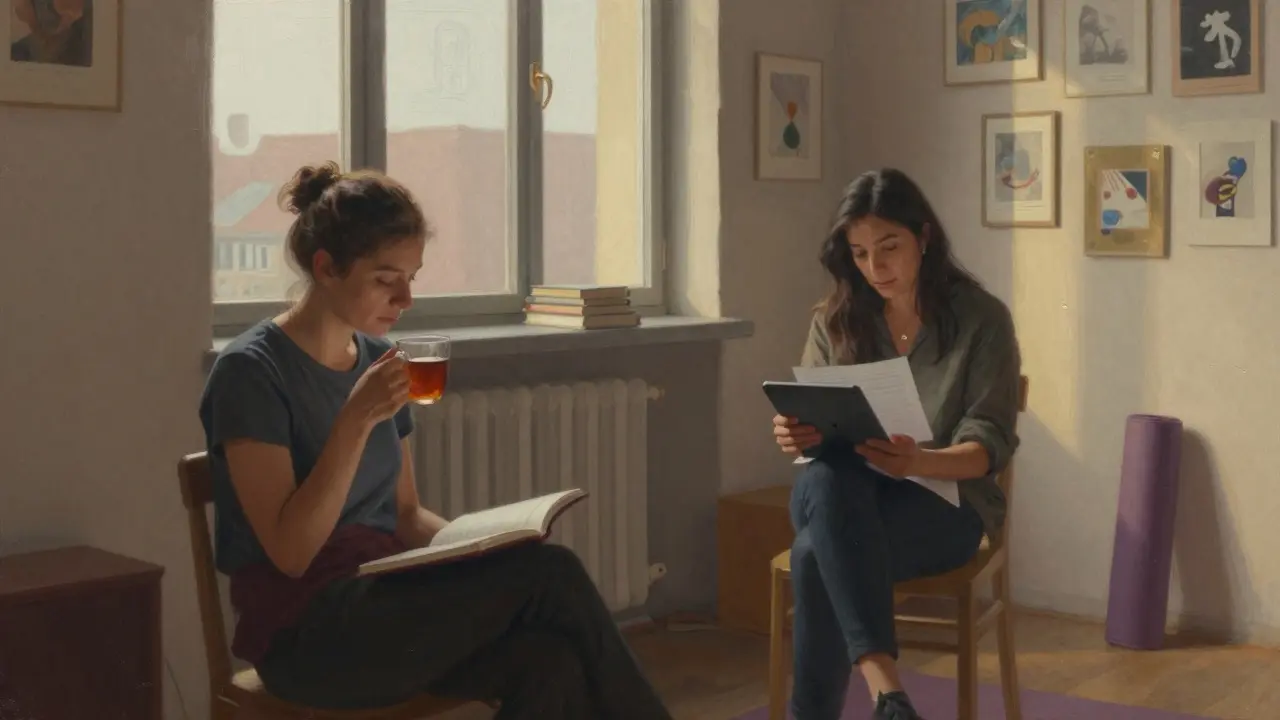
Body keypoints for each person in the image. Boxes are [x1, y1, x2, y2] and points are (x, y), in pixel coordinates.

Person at [199, 162, 673, 719]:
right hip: (309, 636)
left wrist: (483, 548)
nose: (404, 298)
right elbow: (291, 552)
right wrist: (354, 421)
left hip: (390, 611)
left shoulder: (377, 361)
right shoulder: (251, 373)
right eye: (384, 278)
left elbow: (404, 514)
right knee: (554, 573)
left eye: (411, 277)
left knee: (549, 658)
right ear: (326, 268)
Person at [771, 168, 1022, 720]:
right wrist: (795, 432)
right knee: (825, 476)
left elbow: (990, 443)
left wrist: (920, 460)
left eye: (889, 248)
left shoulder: (982, 320)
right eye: (859, 253)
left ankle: (869, 699)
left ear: (924, 238)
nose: (875, 267)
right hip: (842, 494)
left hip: (944, 503)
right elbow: (812, 424)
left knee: (816, 553)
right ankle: (886, 688)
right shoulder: (835, 318)